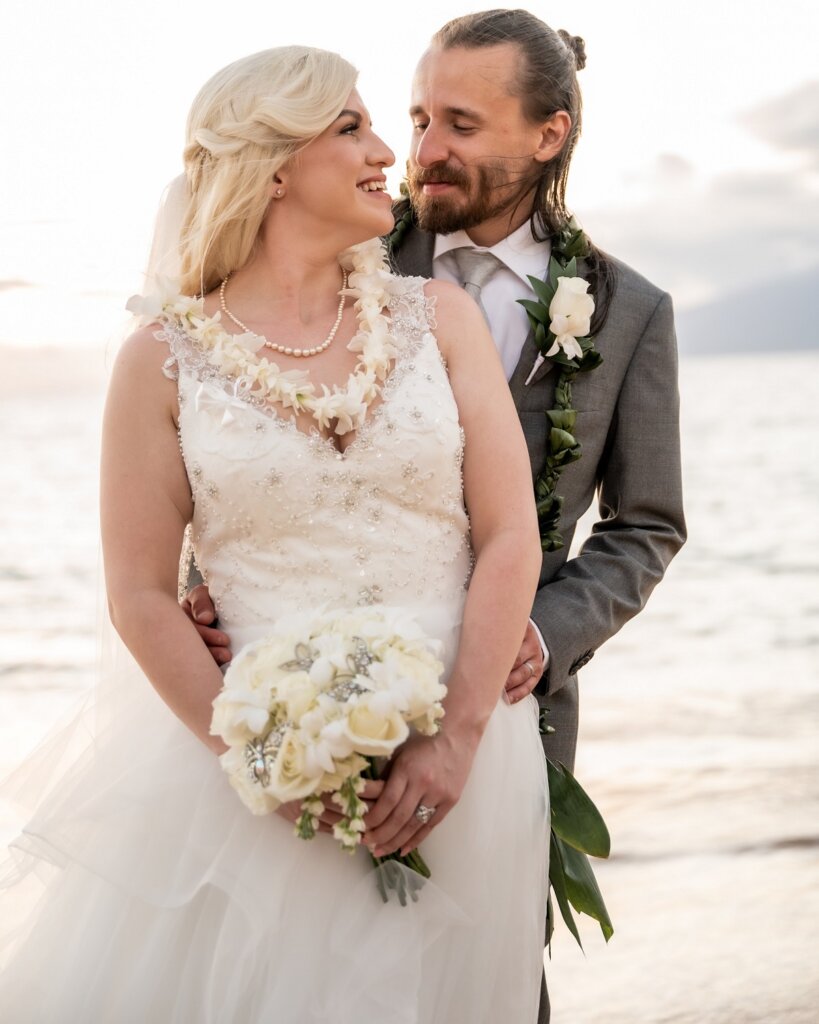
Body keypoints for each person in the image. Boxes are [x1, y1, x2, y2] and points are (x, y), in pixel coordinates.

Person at [0, 45, 549, 1022]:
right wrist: (262, 761)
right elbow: (138, 593)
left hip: (464, 753)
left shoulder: (443, 319)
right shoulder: (158, 363)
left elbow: (509, 535)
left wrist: (459, 736)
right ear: (274, 166)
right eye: (351, 126)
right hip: (259, 761)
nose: (391, 149)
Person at [188, 15, 687, 1020]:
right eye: (417, 116)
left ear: (548, 134)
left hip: (509, 711)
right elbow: (228, 416)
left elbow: (648, 524)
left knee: (488, 978)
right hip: (307, 702)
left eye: (459, 121)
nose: (421, 150)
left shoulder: (630, 310)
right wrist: (218, 576)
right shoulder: (345, 236)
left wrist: (541, 634)